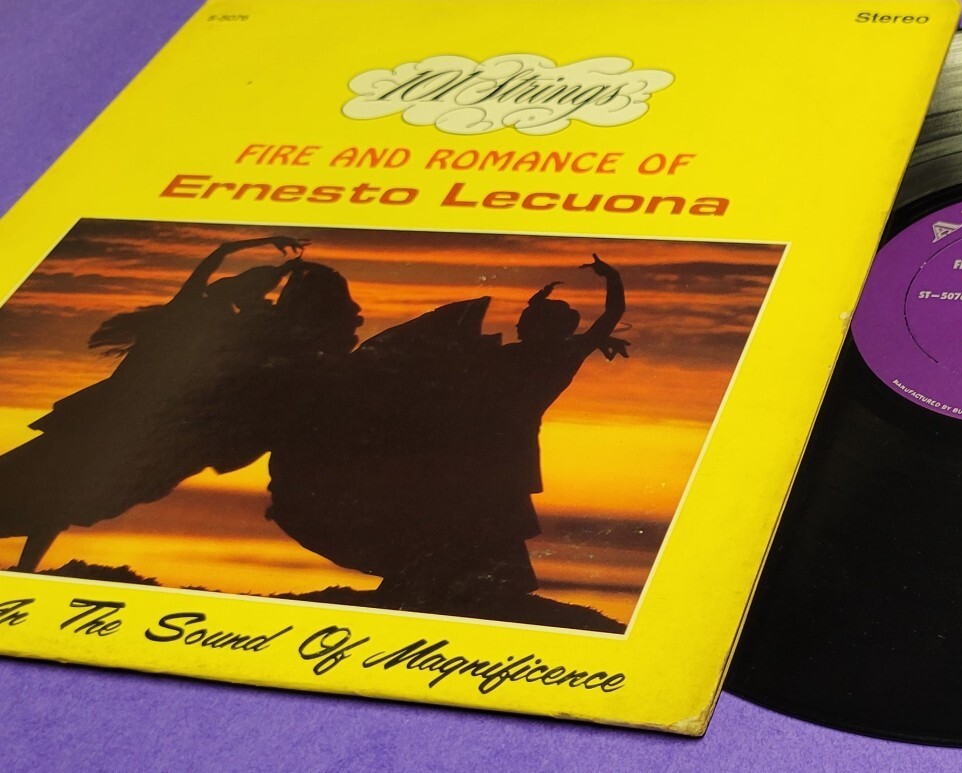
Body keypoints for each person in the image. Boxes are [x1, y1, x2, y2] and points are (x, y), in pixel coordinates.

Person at [262, 254, 627, 610]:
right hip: (472, 449)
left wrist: (611, 280)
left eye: (529, 321)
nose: (520, 327)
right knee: (458, 515)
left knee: (487, 516)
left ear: (548, 328)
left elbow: (609, 316)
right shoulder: (534, 355)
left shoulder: (555, 360)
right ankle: (439, 579)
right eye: (523, 320)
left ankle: (479, 585)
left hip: (499, 453)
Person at [0, 235, 318, 571]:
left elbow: (228, 266)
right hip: (118, 414)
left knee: (55, 493)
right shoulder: (198, 309)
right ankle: (26, 564)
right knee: (51, 489)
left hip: (128, 415)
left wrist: (281, 263)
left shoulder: (215, 318)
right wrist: (275, 254)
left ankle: (26, 567)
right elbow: (221, 254)